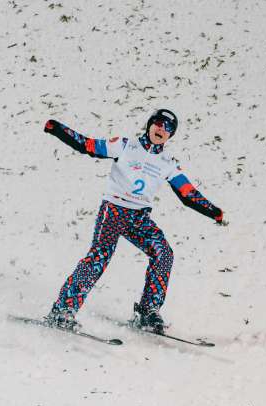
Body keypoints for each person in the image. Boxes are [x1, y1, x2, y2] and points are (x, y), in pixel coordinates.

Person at [43, 109, 224, 334]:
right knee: (100, 256)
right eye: (158, 123)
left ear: (170, 135)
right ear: (149, 125)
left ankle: (148, 312)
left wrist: (213, 211)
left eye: (167, 127)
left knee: (163, 253)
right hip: (114, 211)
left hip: (138, 217)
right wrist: (58, 129)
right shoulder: (125, 145)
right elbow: (88, 145)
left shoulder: (167, 162)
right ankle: (62, 311)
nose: (161, 129)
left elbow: (187, 193)